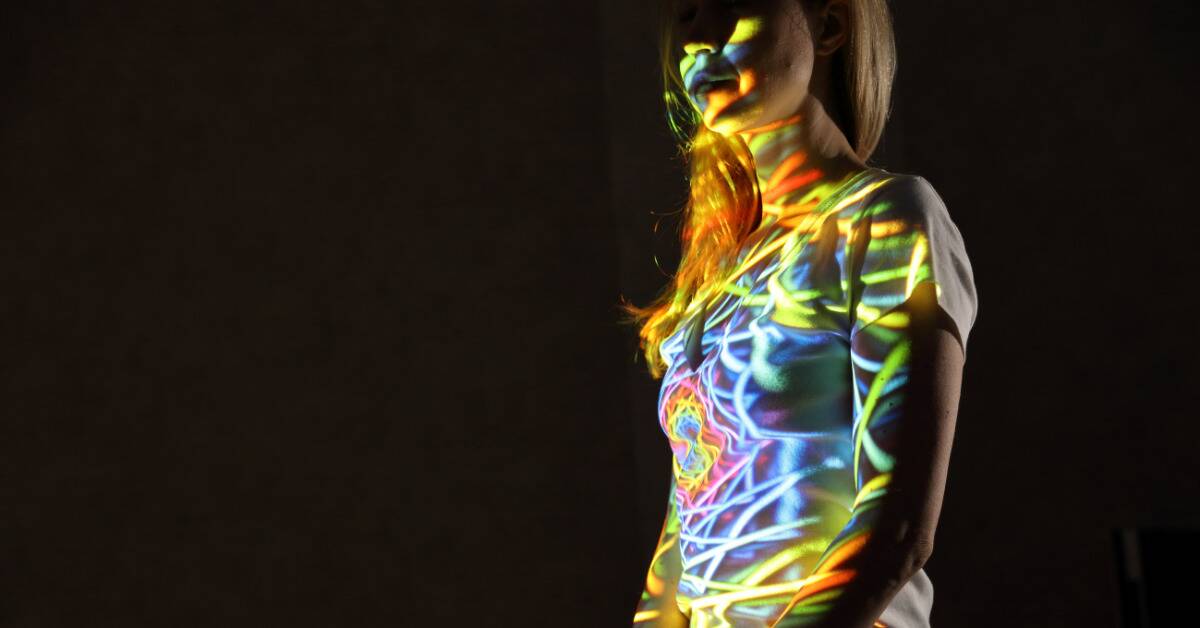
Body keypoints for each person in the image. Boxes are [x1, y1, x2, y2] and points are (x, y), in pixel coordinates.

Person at [622, 0, 979, 626]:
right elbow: (690, 522)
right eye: (685, 12)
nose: (698, 37)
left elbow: (895, 527)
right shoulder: (716, 273)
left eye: (731, 6)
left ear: (831, 25)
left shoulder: (888, 219)